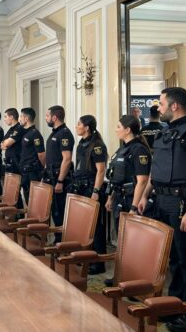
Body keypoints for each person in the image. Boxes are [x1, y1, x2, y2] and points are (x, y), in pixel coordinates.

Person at [139, 87, 186, 332]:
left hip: (183, 203)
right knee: (172, 259)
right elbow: (155, 170)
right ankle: (174, 307)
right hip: (161, 202)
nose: (157, 108)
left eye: (161, 103)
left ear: (174, 106)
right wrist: (144, 195)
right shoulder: (164, 133)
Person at [72, 115, 108, 275]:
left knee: (96, 227)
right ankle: (86, 256)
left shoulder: (97, 145)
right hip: (80, 186)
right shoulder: (82, 143)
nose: (76, 126)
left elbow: (101, 170)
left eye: (79, 124)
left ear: (87, 127)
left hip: (91, 188)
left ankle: (98, 262)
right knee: (84, 225)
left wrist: (95, 191)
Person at [105, 115, 151, 231]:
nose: (115, 129)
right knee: (120, 236)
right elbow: (113, 175)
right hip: (119, 198)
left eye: (118, 127)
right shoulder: (122, 149)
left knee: (131, 238)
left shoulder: (139, 149)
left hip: (131, 200)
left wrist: (134, 208)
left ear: (128, 130)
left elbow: (142, 181)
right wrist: (110, 198)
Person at [43, 105, 74, 243]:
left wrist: (60, 181)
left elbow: (67, 159)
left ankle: (63, 242)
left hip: (59, 178)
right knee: (54, 211)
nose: (46, 118)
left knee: (60, 212)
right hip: (50, 176)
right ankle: (58, 240)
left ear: (54, 117)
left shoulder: (64, 133)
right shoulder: (55, 132)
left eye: (47, 116)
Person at [17, 108, 45, 208]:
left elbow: (41, 154)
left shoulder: (35, 134)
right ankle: (30, 220)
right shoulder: (25, 132)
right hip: (25, 172)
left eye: (21, 116)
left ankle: (36, 221)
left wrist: (41, 169)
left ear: (26, 118)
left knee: (34, 200)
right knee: (28, 198)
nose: (19, 119)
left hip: (32, 172)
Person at [0, 108, 24, 175]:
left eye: (5, 117)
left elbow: (7, 143)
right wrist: (5, 143)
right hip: (9, 163)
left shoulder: (19, 128)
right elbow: (2, 145)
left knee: (15, 184)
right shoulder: (11, 129)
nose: (4, 119)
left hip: (16, 162)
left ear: (11, 117)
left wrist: (6, 144)